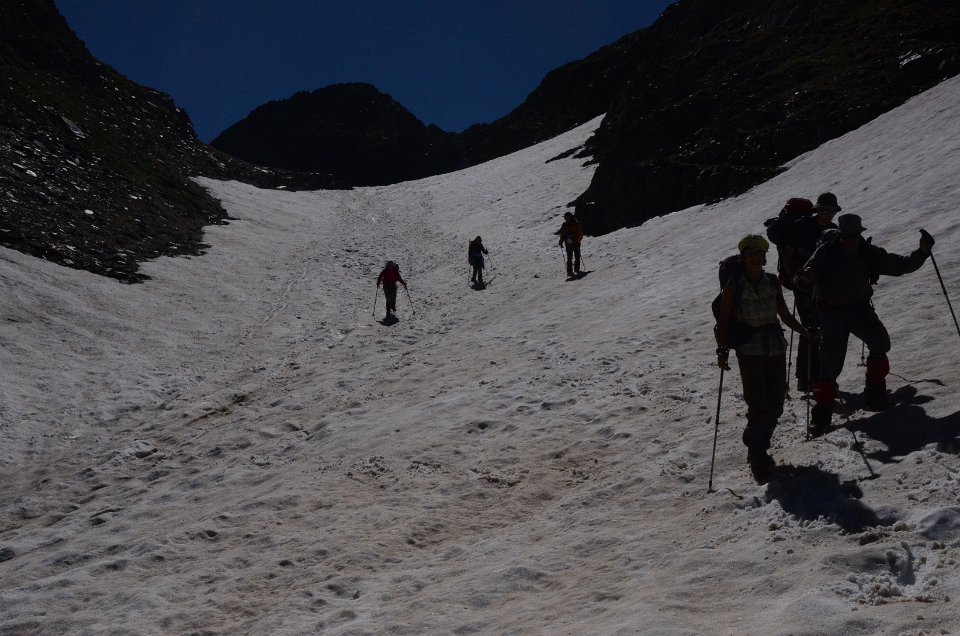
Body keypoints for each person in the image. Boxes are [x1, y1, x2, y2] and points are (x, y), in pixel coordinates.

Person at [795, 213, 934, 434]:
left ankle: (874, 396)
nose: (851, 239)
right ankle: (822, 416)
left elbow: (900, 265)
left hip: (858, 308)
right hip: (832, 312)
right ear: (840, 235)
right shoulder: (826, 252)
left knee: (880, 342)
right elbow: (800, 280)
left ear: (859, 234)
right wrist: (805, 278)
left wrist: (922, 253)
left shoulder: (869, 252)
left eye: (854, 235)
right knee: (831, 364)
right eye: (847, 236)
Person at [715, 234, 809, 483]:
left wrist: (805, 332)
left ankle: (754, 440)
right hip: (749, 351)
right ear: (744, 257)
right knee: (758, 406)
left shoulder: (772, 281)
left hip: (775, 347)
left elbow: (785, 315)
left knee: (776, 404)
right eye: (752, 253)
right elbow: (723, 320)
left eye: (760, 253)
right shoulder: (734, 285)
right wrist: (721, 350)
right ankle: (758, 456)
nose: (757, 257)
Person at [788, 192, 841, 390]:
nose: (830, 214)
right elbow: (789, 254)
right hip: (803, 285)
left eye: (833, 211)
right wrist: (795, 279)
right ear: (818, 209)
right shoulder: (802, 227)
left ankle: (815, 376)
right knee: (810, 328)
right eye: (826, 210)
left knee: (821, 327)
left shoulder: (834, 230)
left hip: (824, 286)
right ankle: (806, 378)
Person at [557, 211, 584, 277]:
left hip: (575, 243)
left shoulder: (576, 224)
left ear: (570, 217)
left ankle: (576, 269)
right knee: (569, 257)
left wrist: (576, 240)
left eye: (567, 217)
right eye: (565, 218)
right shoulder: (565, 225)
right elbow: (563, 234)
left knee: (577, 256)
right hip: (568, 243)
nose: (566, 219)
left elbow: (580, 234)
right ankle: (570, 271)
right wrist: (561, 240)